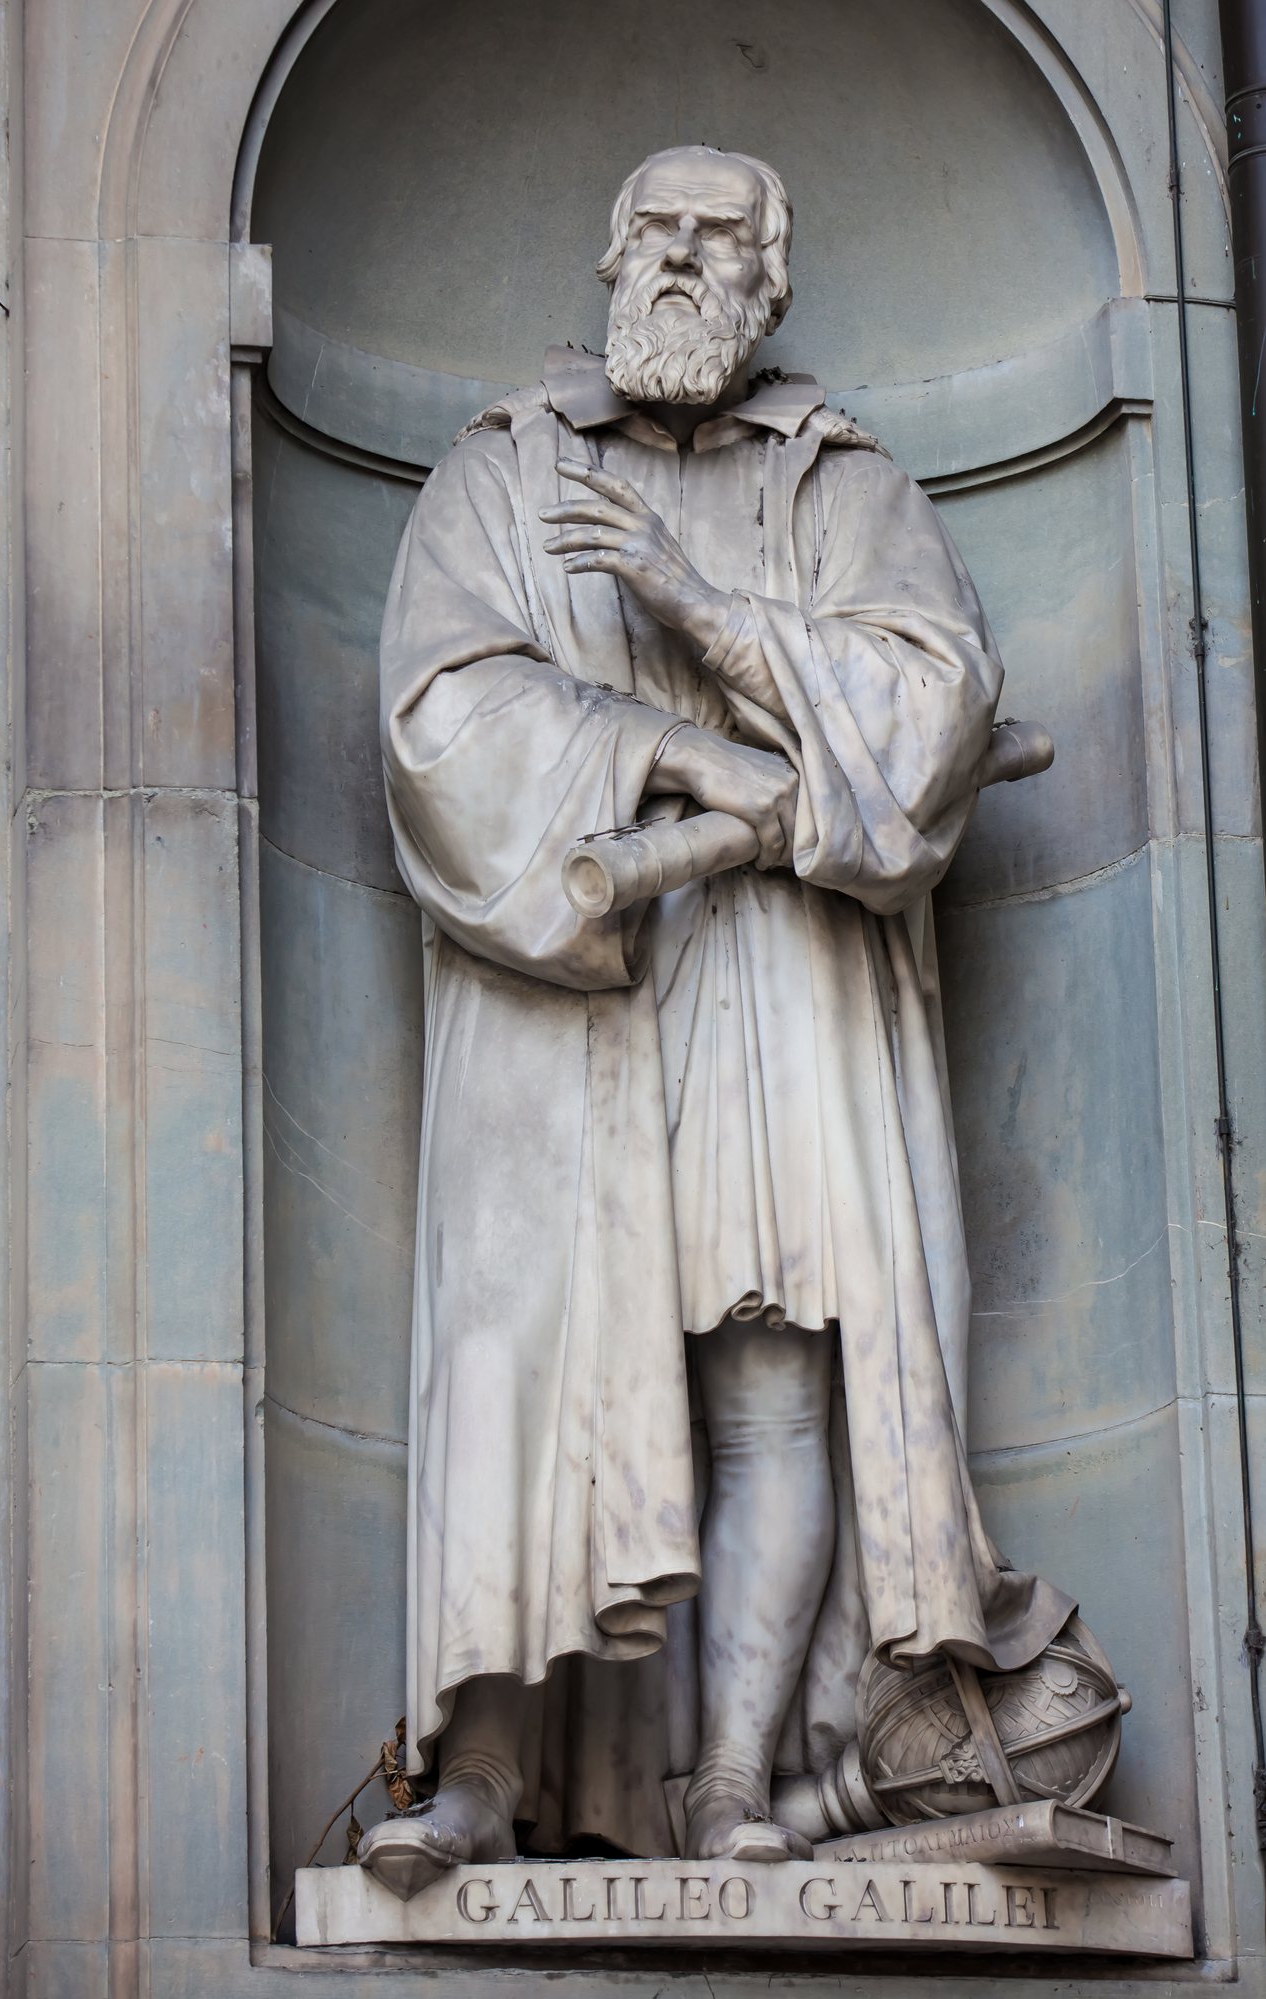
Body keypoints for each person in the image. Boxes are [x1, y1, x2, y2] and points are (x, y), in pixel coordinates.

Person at [359, 145, 1070, 1899]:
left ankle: (732, 1780)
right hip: (571, 983)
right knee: (533, 1371)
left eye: (721, 238)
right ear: (611, 256)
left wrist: (692, 603)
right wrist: (684, 758)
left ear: (771, 283)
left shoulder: (842, 480)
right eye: (656, 231)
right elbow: (440, 717)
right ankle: (480, 1773)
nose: (683, 261)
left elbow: (928, 716)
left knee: (774, 1394)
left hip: (783, 975)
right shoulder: (503, 468)